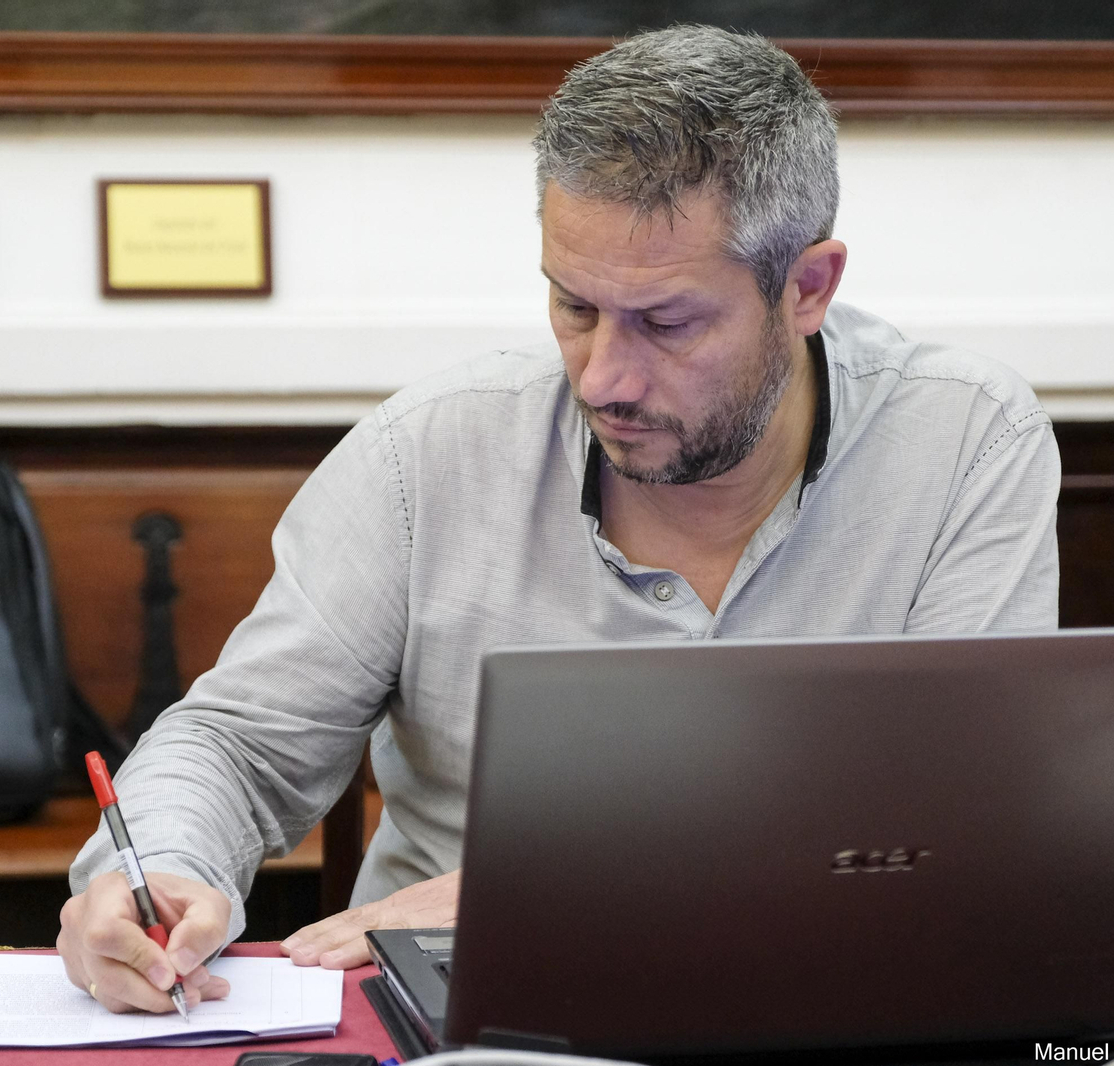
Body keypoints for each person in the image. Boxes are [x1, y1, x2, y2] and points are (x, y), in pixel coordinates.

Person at [59, 24, 1061, 1015]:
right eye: (572, 305)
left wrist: (552, 894)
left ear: (806, 288)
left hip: (831, 995)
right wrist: (163, 868)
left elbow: (961, 822)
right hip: (460, 1016)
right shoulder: (429, 454)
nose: (604, 376)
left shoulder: (965, 442)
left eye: (666, 323)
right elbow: (241, 746)